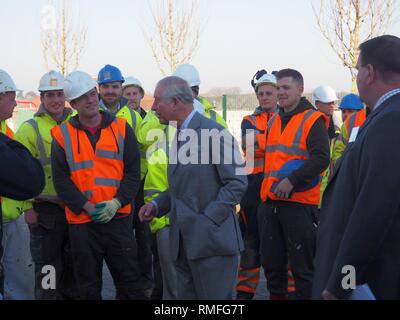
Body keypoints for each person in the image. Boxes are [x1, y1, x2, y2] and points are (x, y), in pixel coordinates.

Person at [139, 76, 247, 300]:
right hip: (183, 244)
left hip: (212, 245)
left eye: (158, 101)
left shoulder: (214, 133)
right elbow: (181, 186)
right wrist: (157, 205)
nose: (153, 107)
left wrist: (206, 221)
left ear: (176, 102)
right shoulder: (179, 134)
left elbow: (237, 183)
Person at [312, 35, 400, 300]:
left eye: (359, 68)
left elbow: (373, 214)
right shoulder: (385, 116)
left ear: (370, 73)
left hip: (371, 283)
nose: (358, 76)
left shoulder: (391, 120)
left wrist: (341, 283)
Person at [51, 71, 146, 300]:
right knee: (87, 286)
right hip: (82, 223)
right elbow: (61, 180)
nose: (91, 100)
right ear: (73, 104)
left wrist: (117, 202)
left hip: (119, 219)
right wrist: (86, 207)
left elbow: (133, 172)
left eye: (92, 94)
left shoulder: (122, 129)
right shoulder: (62, 135)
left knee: (130, 283)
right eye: (83, 97)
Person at [258, 69, 330, 300]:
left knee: (303, 271)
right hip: (270, 203)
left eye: (286, 88)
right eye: (278, 88)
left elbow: (321, 158)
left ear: (300, 89)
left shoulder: (312, 119)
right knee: (272, 269)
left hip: (298, 205)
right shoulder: (275, 120)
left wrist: (292, 180)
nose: (280, 93)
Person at [11, 70, 77, 299]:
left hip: (75, 209)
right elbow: (17, 175)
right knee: (48, 267)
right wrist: (27, 208)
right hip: (45, 212)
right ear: (42, 98)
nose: (56, 100)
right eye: (50, 95)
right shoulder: (29, 129)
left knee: (74, 265)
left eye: (60, 94)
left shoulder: (76, 124)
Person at [98, 65, 152, 296]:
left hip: (130, 190)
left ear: (120, 88)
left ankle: (137, 289)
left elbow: (142, 151)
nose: (111, 91)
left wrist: (138, 182)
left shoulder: (131, 115)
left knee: (135, 244)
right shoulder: (87, 112)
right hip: (98, 193)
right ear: (98, 88)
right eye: (106, 86)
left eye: (115, 86)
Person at [0, 69, 45, 299]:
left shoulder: (5, 130)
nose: (15, 102)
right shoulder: (25, 129)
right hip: (11, 216)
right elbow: (26, 178)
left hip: (12, 217)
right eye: (10, 96)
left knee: (20, 283)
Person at [236, 73, 278, 300]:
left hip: (277, 189)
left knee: (278, 248)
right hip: (253, 189)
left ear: (278, 94)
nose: (264, 97)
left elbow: (259, 144)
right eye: (260, 93)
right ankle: (244, 294)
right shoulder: (248, 120)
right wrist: (276, 139)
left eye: (269, 93)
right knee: (251, 244)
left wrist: (263, 140)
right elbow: (249, 145)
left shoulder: (286, 118)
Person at [312, 85, 340, 202]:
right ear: (317, 104)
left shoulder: (335, 126)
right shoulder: (312, 124)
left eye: (333, 102)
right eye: (328, 103)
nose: (332, 105)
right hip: (312, 190)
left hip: (327, 189)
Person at [331, 94, 366, 166]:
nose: (345, 115)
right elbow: (337, 153)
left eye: (350, 111)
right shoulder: (343, 129)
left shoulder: (367, 125)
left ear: (360, 112)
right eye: (343, 111)